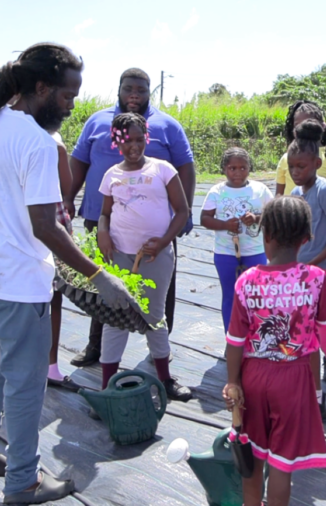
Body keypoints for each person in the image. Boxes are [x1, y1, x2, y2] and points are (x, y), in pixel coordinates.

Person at [0, 43, 135, 504]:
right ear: (40, 88)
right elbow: (43, 224)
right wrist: (98, 276)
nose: (72, 106)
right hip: (18, 283)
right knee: (27, 385)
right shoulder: (33, 141)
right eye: (67, 95)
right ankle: (24, 480)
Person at [67, 68, 196, 367]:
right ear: (119, 90)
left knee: (160, 289)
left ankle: (159, 350)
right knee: (103, 286)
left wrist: (184, 211)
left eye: (141, 89)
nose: (134, 95)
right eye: (128, 89)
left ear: (150, 92)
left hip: (157, 230)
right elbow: (79, 161)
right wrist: (67, 198)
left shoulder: (167, 126)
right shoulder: (97, 121)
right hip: (103, 219)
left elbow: (186, 167)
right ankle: (95, 348)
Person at [222, 196, 326, 506]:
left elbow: (235, 341)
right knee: (281, 464)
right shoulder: (315, 279)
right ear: (306, 238)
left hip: (253, 377)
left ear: (265, 235)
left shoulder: (247, 281)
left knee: (253, 457)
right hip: (294, 378)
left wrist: (233, 381)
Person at [96, 112, 193, 402]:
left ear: (146, 139)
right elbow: (105, 213)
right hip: (120, 256)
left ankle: (165, 379)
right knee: (115, 318)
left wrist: (163, 242)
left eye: (140, 139)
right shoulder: (111, 175)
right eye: (127, 141)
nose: (134, 146)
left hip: (155, 258)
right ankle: (106, 388)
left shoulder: (162, 169)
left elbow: (183, 211)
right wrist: (103, 232)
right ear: (116, 142)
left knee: (154, 316)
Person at [288, 121, 326, 421]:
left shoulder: (324, 191)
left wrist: (314, 263)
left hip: (323, 273)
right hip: (303, 276)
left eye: (301, 166)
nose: (296, 172)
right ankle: (316, 400)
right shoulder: (298, 193)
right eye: (291, 167)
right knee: (306, 337)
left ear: (317, 164)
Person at [200, 147, 273, 332]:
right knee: (231, 296)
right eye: (232, 168)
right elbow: (204, 219)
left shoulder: (260, 190)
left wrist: (256, 218)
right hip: (226, 253)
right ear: (224, 169)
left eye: (243, 168)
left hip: (254, 252)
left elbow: (273, 214)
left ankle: (256, 338)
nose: (238, 172)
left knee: (256, 295)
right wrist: (225, 225)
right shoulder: (216, 192)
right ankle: (232, 340)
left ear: (250, 168)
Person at [46, 126, 79, 391]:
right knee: (52, 296)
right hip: (47, 221)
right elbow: (66, 185)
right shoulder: (53, 141)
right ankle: (50, 367)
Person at [275, 100, 326, 208]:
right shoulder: (285, 159)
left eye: (308, 123)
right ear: (293, 130)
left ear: (322, 126)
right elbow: (278, 200)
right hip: (291, 222)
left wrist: (315, 205)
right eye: (298, 125)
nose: (303, 129)